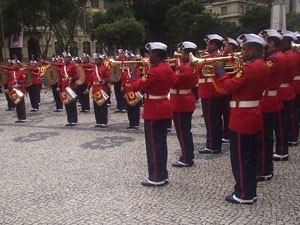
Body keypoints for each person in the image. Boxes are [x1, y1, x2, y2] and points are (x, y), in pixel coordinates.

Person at [214, 34, 269, 204]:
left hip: (242, 118)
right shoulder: (262, 65)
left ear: (253, 50)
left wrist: (221, 72)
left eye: (244, 49)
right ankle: (249, 191)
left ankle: (243, 194)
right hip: (252, 115)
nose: (241, 52)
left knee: (240, 158)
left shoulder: (250, 68)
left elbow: (230, 86)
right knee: (250, 157)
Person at [130, 42, 176, 187]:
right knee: (161, 144)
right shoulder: (167, 68)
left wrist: (132, 73)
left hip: (154, 110)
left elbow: (136, 86)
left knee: (153, 145)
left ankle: (156, 177)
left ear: (156, 55)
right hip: (164, 106)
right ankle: (163, 173)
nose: (148, 57)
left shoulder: (154, 71)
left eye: (150, 54)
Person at [256, 29, 286, 181]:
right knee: (265, 137)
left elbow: (261, 74)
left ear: (272, 43)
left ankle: (264, 170)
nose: (263, 46)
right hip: (269, 99)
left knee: (264, 138)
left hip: (267, 101)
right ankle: (264, 167)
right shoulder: (276, 56)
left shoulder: (273, 59)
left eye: (265, 42)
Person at [197, 34, 228, 154]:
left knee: (211, 120)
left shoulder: (213, 57)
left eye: (208, 44)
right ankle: (216, 143)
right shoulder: (218, 56)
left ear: (214, 45)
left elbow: (199, 70)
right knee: (215, 120)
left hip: (211, 92)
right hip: (214, 91)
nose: (207, 46)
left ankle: (212, 145)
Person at [170, 41, 199, 168]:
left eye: (182, 53)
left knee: (183, 132)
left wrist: (174, 68)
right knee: (185, 131)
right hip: (183, 100)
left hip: (181, 102)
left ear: (188, 54)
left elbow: (174, 81)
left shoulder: (186, 67)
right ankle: (187, 155)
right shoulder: (187, 66)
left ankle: (187, 158)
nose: (180, 55)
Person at [87, 53, 110, 128]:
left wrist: (104, 81)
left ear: (100, 60)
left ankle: (104, 121)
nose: (95, 61)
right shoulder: (93, 69)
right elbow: (90, 80)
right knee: (96, 106)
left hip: (102, 89)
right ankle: (98, 121)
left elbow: (108, 78)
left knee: (103, 106)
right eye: (95, 59)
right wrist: (88, 88)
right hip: (95, 90)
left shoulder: (104, 68)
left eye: (97, 60)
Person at [57, 52, 79, 126]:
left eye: (66, 58)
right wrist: (58, 86)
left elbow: (77, 76)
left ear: (70, 58)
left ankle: (74, 120)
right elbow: (60, 78)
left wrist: (71, 78)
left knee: (72, 104)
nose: (65, 59)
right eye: (64, 58)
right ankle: (69, 120)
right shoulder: (62, 68)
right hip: (64, 88)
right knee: (66, 104)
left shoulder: (73, 66)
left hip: (71, 87)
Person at [122, 62, 143, 129]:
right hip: (128, 93)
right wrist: (123, 87)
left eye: (133, 64)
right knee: (129, 109)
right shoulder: (126, 73)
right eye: (130, 65)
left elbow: (140, 81)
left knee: (136, 109)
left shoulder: (138, 72)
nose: (131, 66)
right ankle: (131, 123)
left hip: (135, 92)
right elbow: (124, 82)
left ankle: (136, 123)